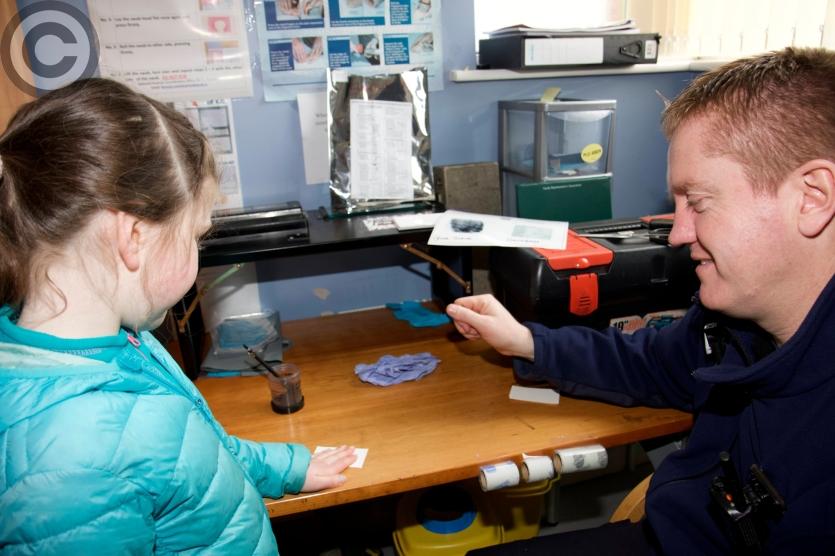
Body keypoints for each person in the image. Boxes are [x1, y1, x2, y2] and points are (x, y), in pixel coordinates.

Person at [447, 47, 835, 554]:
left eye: (697, 202)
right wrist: (526, 343)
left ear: (811, 197)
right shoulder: (733, 323)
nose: (676, 234)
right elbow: (653, 363)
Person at [0, 78, 356, 554]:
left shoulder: (118, 341)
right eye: (195, 234)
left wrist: (287, 467)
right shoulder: (72, 461)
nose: (197, 252)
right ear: (133, 238)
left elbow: (192, 453)